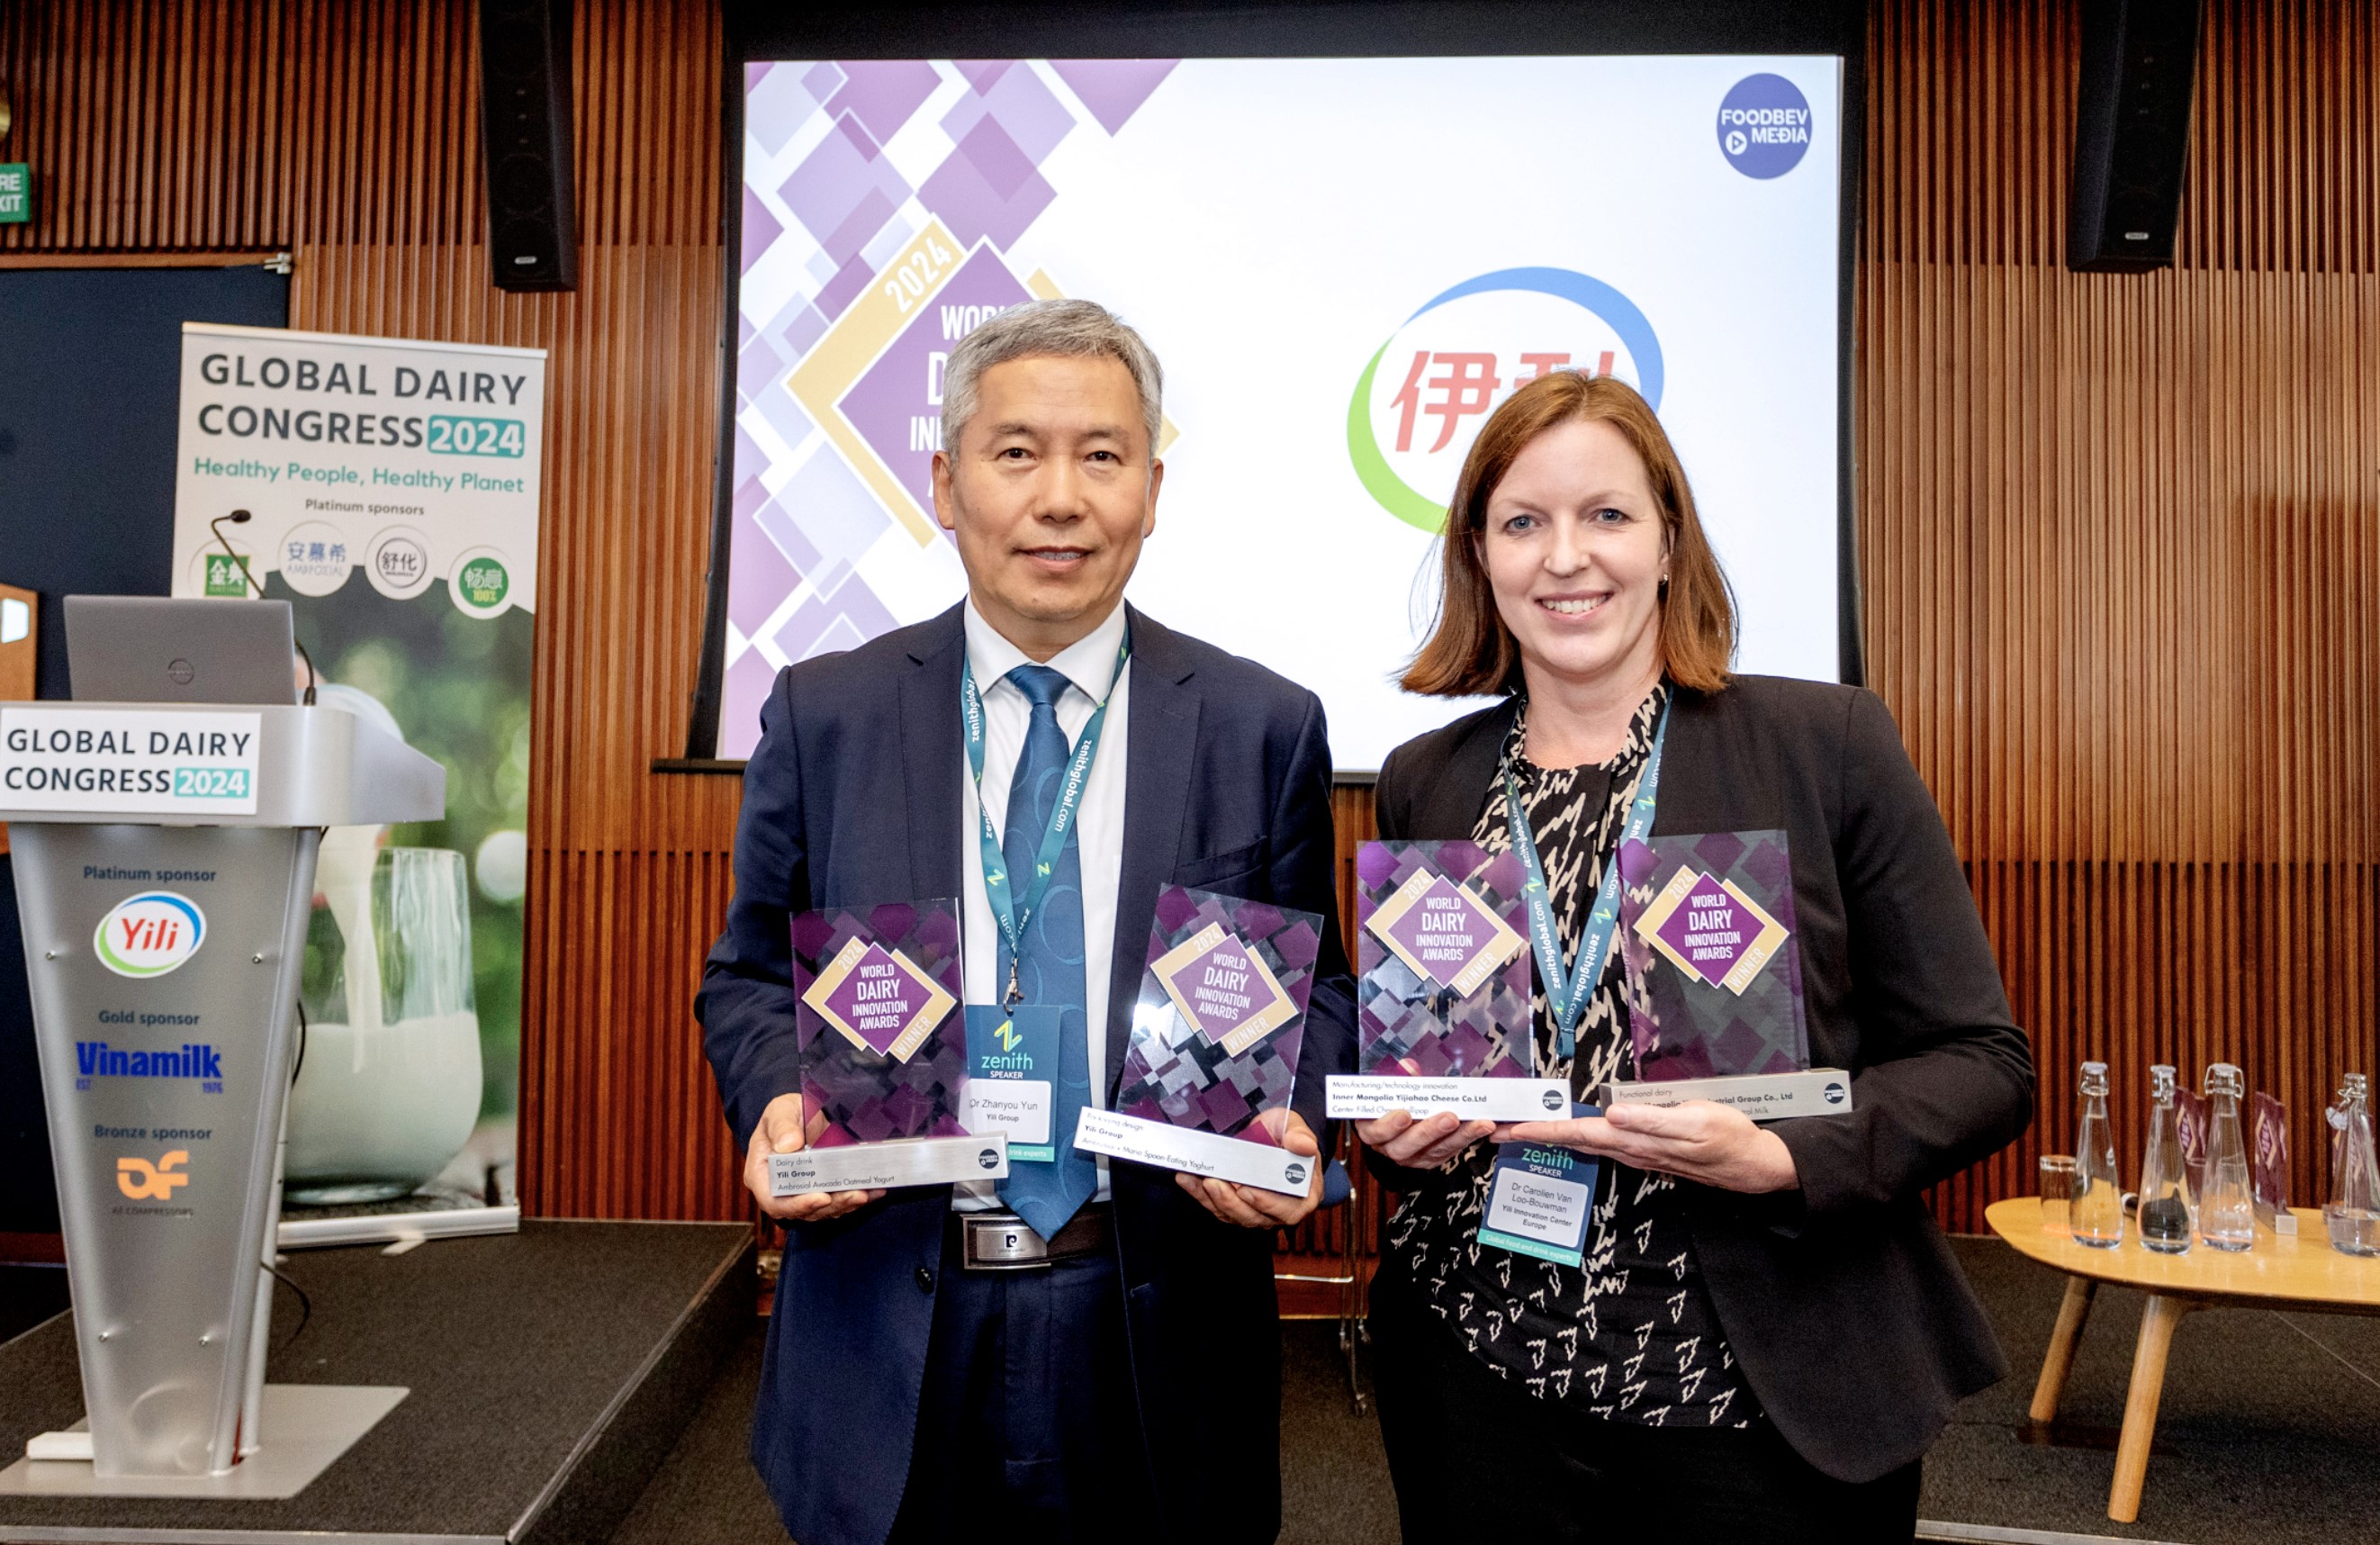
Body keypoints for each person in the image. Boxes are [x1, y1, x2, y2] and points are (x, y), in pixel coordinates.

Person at [698, 299, 1356, 1545]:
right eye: (1016, 454)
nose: (1061, 499)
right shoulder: (827, 714)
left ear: (1151, 491)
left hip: (1153, 1316)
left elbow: (1318, 986)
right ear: (946, 485)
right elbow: (749, 977)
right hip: (895, 1310)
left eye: (1102, 456)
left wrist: (1296, 1116)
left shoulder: (1260, 724)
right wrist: (778, 1094)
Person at [1357, 371, 2033, 1542]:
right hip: (1479, 1378)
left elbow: (1981, 1064)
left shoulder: (1823, 747)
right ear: (1480, 557)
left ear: (1669, 542)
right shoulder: (1431, 778)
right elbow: (1428, 1052)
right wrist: (1401, 1134)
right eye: (1523, 523)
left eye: (1607, 515)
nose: (1566, 557)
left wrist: (1782, 1156)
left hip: (1754, 1397)